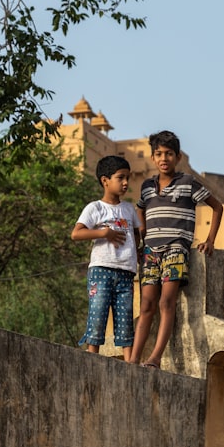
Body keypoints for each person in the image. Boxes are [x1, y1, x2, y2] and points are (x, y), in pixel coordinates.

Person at [133, 130, 223, 369]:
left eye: (169, 154)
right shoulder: (147, 187)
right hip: (151, 249)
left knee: (166, 302)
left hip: (176, 247)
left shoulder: (187, 183)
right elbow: (139, 208)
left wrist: (210, 240)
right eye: (159, 154)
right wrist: (141, 234)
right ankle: (132, 360)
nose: (164, 159)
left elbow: (217, 207)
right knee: (146, 305)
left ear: (178, 157)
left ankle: (155, 358)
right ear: (153, 158)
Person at [72, 155, 144, 362]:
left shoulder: (129, 209)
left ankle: (130, 363)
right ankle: (92, 358)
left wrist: (138, 248)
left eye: (127, 178)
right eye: (120, 177)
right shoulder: (95, 208)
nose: (125, 183)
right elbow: (76, 234)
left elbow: (138, 232)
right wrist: (104, 234)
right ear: (105, 180)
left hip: (126, 273)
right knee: (98, 313)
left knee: (125, 319)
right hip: (101, 269)